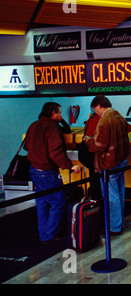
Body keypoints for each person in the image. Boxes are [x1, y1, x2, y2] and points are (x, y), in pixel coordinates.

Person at [25, 102, 81, 243]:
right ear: (53, 113)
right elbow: (56, 152)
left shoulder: (34, 125)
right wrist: (70, 166)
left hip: (34, 170)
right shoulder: (53, 128)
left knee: (42, 202)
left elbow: (26, 146)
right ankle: (50, 235)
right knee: (58, 201)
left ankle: (43, 234)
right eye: (60, 113)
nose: (61, 115)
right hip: (47, 171)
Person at [85, 95, 131, 235]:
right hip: (121, 160)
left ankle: (114, 227)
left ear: (99, 106)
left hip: (108, 164)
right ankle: (119, 223)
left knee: (111, 195)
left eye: (95, 109)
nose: (95, 112)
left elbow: (98, 146)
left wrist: (88, 140)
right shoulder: (118, 115)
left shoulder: (104, 120)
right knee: (119, 193)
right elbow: (129, 129)